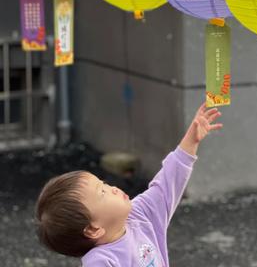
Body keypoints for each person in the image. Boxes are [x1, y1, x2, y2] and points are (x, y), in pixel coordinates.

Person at [35, 103, 222, 266]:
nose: (113, 189)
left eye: (104, 184)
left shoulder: (139, 215)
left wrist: (191, 140)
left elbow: (167, 183)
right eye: (102, 192)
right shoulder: (101, 261)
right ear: (93, 229)